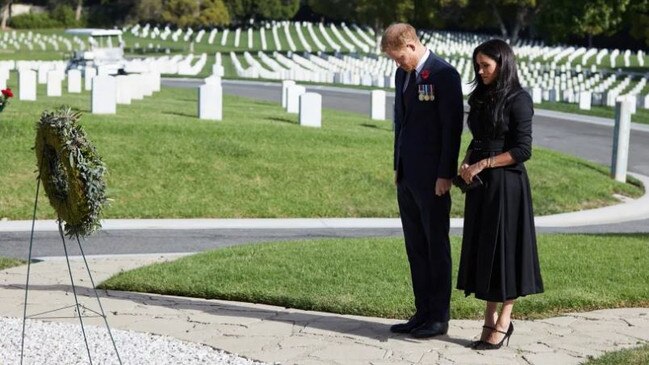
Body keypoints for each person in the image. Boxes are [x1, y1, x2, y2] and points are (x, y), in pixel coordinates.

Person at [456, 39, 544, 350]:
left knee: (505, 255)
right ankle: (488, 317)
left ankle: (503, 321)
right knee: (486, 253)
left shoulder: (519, 100)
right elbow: (478, 138)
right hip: (481, 188)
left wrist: (483, 163)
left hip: (508, 187)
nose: (480, 72)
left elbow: (523, 150)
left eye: (485, 66)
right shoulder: (480, 96)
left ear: (503, 64)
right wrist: (468, 160)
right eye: (477, 66)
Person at [381, 23, 464, 338]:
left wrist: (445, 173)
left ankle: (439, 317)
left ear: (412, 45)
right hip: (407, 175)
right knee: (415, 246)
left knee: (435, 245)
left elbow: (451, 128)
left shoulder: (444, 75)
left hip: (433, 178)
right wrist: (397, 165)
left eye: (400, 57)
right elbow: (400, 123)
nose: (398, 63)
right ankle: (422, 312)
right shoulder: (403, 74)